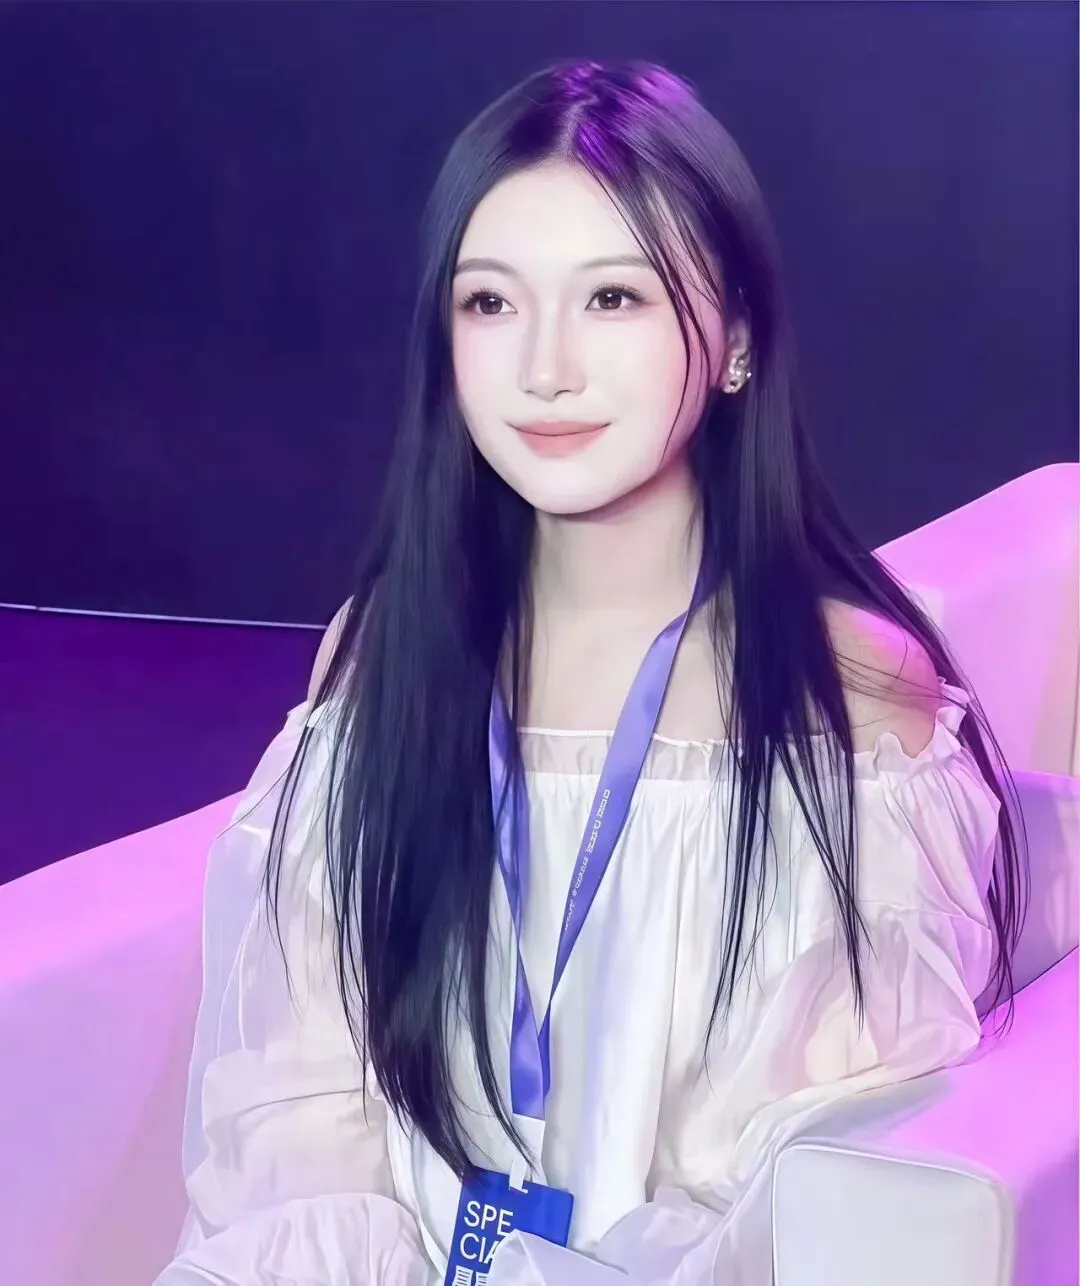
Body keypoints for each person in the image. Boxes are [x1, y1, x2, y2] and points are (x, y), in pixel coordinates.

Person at [156, 60, 1025, 1286]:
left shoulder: (849, 694)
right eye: (490, 303)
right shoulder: (386, 651)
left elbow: (809, 1181)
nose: (544, 367)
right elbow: (299, 1102)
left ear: (734, 340)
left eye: (612, 297)